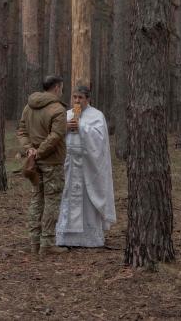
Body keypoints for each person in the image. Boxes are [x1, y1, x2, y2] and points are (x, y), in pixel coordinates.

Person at [56, 85, 116, 247]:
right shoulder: (66, 114)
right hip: (69, 163)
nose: (77, 100)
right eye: (74, 97)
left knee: (87, 200)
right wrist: (65, 128)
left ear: (87, 99)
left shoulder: (96, 115)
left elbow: (100, 140)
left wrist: (81, 126)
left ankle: (89, 238)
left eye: (80, 98)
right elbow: (56, 136)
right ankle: (67, 238)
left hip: (88, 166)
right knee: (68, 197)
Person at [17, 75, 69, 256]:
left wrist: (29, 149)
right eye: (61, 88)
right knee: (51, 201)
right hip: (52, 161)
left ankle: (34, 242)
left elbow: (22, 131)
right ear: (56, 88)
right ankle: (46, 243)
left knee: (36, 199)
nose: (61, 91)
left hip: (33, 161)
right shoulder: (58, 109)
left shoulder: (28, 106)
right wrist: (38, 151)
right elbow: (56, 136)